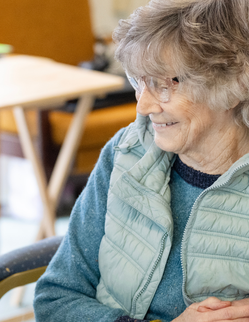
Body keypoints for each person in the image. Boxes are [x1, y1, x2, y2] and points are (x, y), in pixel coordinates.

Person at [34, 0, 249, 321]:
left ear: (233, 86)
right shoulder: (126, 152)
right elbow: (56, 297)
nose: (144, 105)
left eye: (163, 84)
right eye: (138, 81)